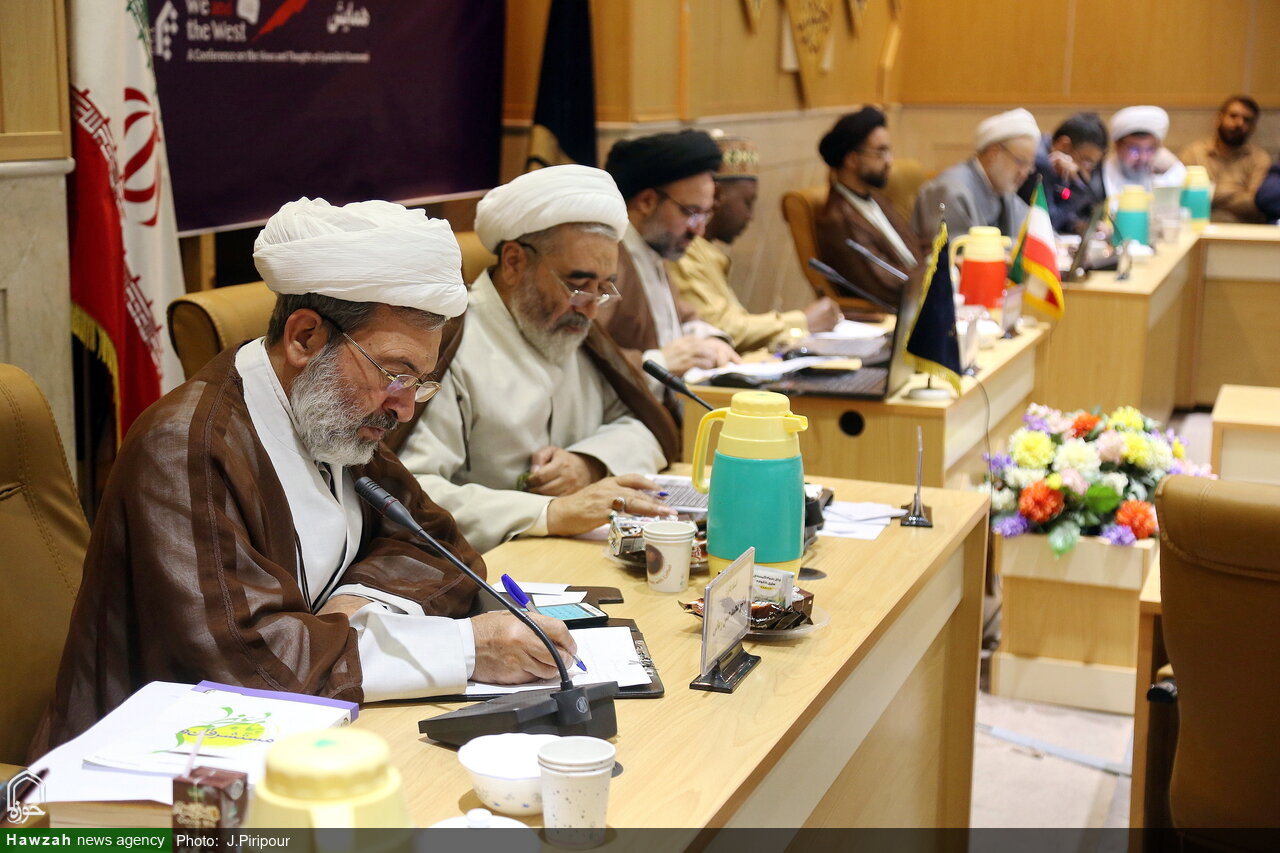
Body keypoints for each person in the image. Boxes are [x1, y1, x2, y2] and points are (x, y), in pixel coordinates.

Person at [34, 199, 578, 753]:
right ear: (305, 338)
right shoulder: (186, 448)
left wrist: (360, 603)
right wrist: (467, 649)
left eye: (419, 382)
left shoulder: (330, 413)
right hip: (146, 768)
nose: (404, 407)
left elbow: (436, 544)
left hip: (295, 736)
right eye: (395, 374)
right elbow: (248, 666)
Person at [396, 165, 680, 554]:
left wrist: (588, 463)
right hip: (487, 561)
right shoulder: (448, 346)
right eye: (577, 285)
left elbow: (645, 425)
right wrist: (549, 512)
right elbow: (413, 492)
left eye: (603, 289)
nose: (590, 309)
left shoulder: (574, 331)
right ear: (514, 262)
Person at [666, 135, 841, 352]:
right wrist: (802, 321)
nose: (750, 217)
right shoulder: (683, 251)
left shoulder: (705, 250)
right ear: (716, 196)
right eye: (747, 203)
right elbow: (721, 330)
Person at [600, 130, 739, 400]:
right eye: (691, 212)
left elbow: (682, 318)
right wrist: (659, 362)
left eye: (706, 214)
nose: (699, 229)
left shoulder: (653, 248)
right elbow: (583, 362)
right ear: (647, 201)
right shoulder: (608, 261)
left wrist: (710, 341)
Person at [813, 107, 924, 310]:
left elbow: (914, 248)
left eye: (888, 151)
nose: (889, 161)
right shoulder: (838, 220)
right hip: (897, 314)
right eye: (880, 152)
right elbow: (887, 287)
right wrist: (936, 277)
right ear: (852, 160)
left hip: (922, 300)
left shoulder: (876, 199)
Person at [913, 108, 1041, 240]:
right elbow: (953, 249)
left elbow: (1036, 232)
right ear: (994, 153)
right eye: (1021, 162)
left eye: (1029, 166)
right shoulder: (950, 191)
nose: (1025, 173)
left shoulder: (1003, 190)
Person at [1180, 96, 1270, 223]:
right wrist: (1236, 192)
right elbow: (1185, 198)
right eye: (1233, 116)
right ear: (1219, 118)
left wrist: (1208, 193)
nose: (1239, 123)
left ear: (1253, 127)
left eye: (1247, 120)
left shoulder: (1259, 158)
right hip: (1199, 226)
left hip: (1243, 229)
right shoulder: (1193, 153)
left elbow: (1253, 203)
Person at [1018, 112, 1108, 235]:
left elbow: (1063, 208)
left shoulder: (1054, 156)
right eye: (1086, 161)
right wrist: (1078, 189)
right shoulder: (1040, 163)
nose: (1086, 170)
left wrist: (1075, 226)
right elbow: (1048, 222)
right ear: (1064, 145)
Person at [1101, 105, 1186, 200]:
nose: (1143, 158)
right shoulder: (1101, 175)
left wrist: (1173, 168)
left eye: (1150, 150)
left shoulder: (1164, 170)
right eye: (1134, 150)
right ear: (1117, 146)